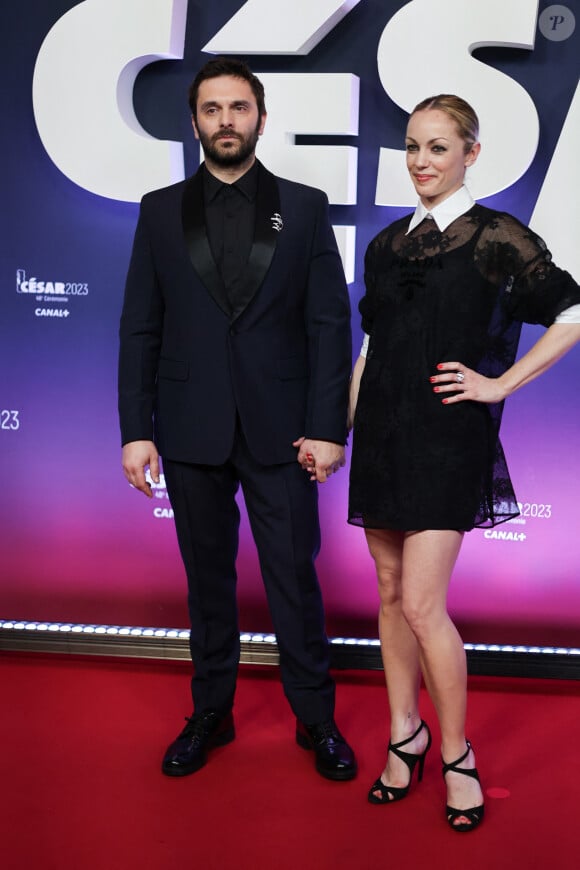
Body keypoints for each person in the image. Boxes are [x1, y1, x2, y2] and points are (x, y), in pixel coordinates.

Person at [118, 58, 356, 781]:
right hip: (189, 428)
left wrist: (327, 427)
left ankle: (316, 721)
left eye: (239, 106)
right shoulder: (158, 210)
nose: (226, 119)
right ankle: (210, 714)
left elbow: (327, 326)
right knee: (207, 582)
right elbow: (141, 328)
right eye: (212, 108)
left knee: (293, 577)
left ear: (261, 116)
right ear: (193, 121)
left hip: (285, 431)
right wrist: (136, 428)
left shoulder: (306, 206)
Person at [348, 94, 580, 831]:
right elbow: (370, 346)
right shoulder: (384, 245)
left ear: (471, 154)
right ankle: (402, 735)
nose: (422, 161)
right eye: (413, 147)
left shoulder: (496, 236)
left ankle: (455, 754)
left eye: (438, 148)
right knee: (387, 593)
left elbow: (573, 311)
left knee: (421, 603)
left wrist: (499, 384)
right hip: (380, 432)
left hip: (448, 437)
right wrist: (338, 428)